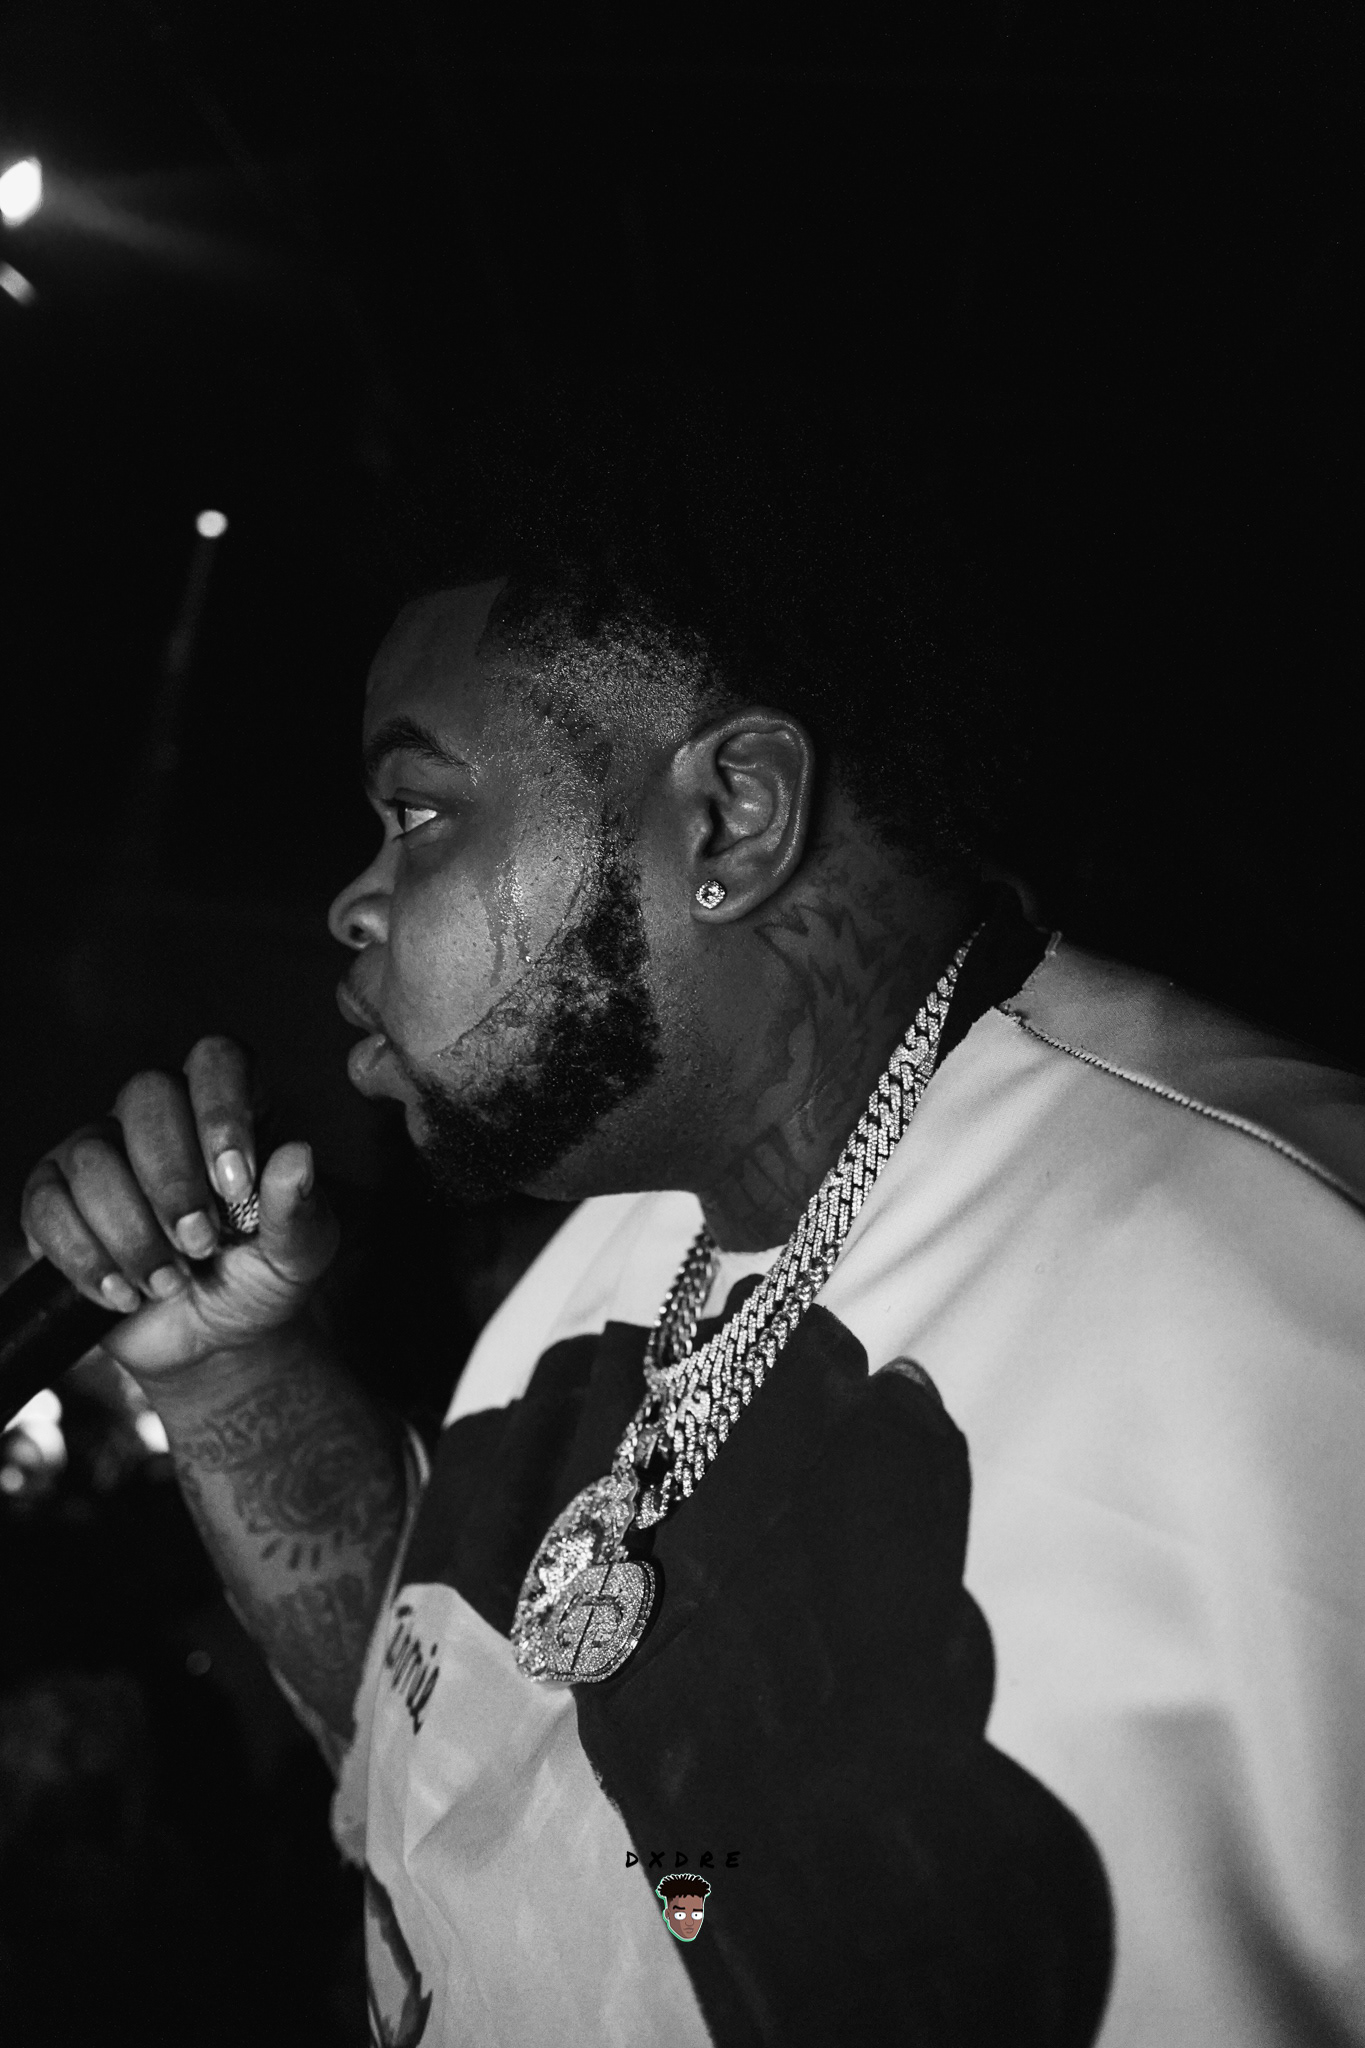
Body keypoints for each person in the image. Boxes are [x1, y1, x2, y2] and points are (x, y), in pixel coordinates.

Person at [19, 392, 1365, 2046]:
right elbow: (432, 1748)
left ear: (731, 817)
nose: (353, 901)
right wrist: (231, 1374)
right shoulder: (621, 1245)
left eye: (417, 811)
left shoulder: (1292, 1313)